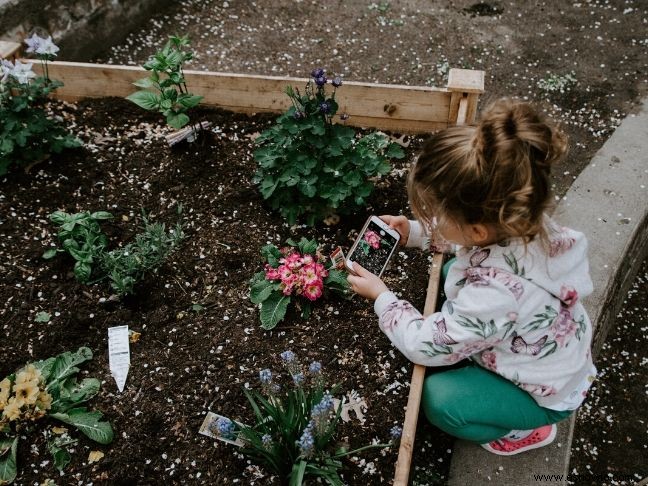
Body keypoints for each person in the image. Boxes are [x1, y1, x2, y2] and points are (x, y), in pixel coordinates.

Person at [347, 98, 596, 456]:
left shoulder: (494, 296)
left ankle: (523, 430)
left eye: (435, 212)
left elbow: (424, 345)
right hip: (549, 351)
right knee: (452, 271)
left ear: (477, 230)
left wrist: (383, 298)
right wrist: (416, 232)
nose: (431, 216)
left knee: (439, 399)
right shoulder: (525, 222)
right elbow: (467, 240)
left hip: (541, 392)